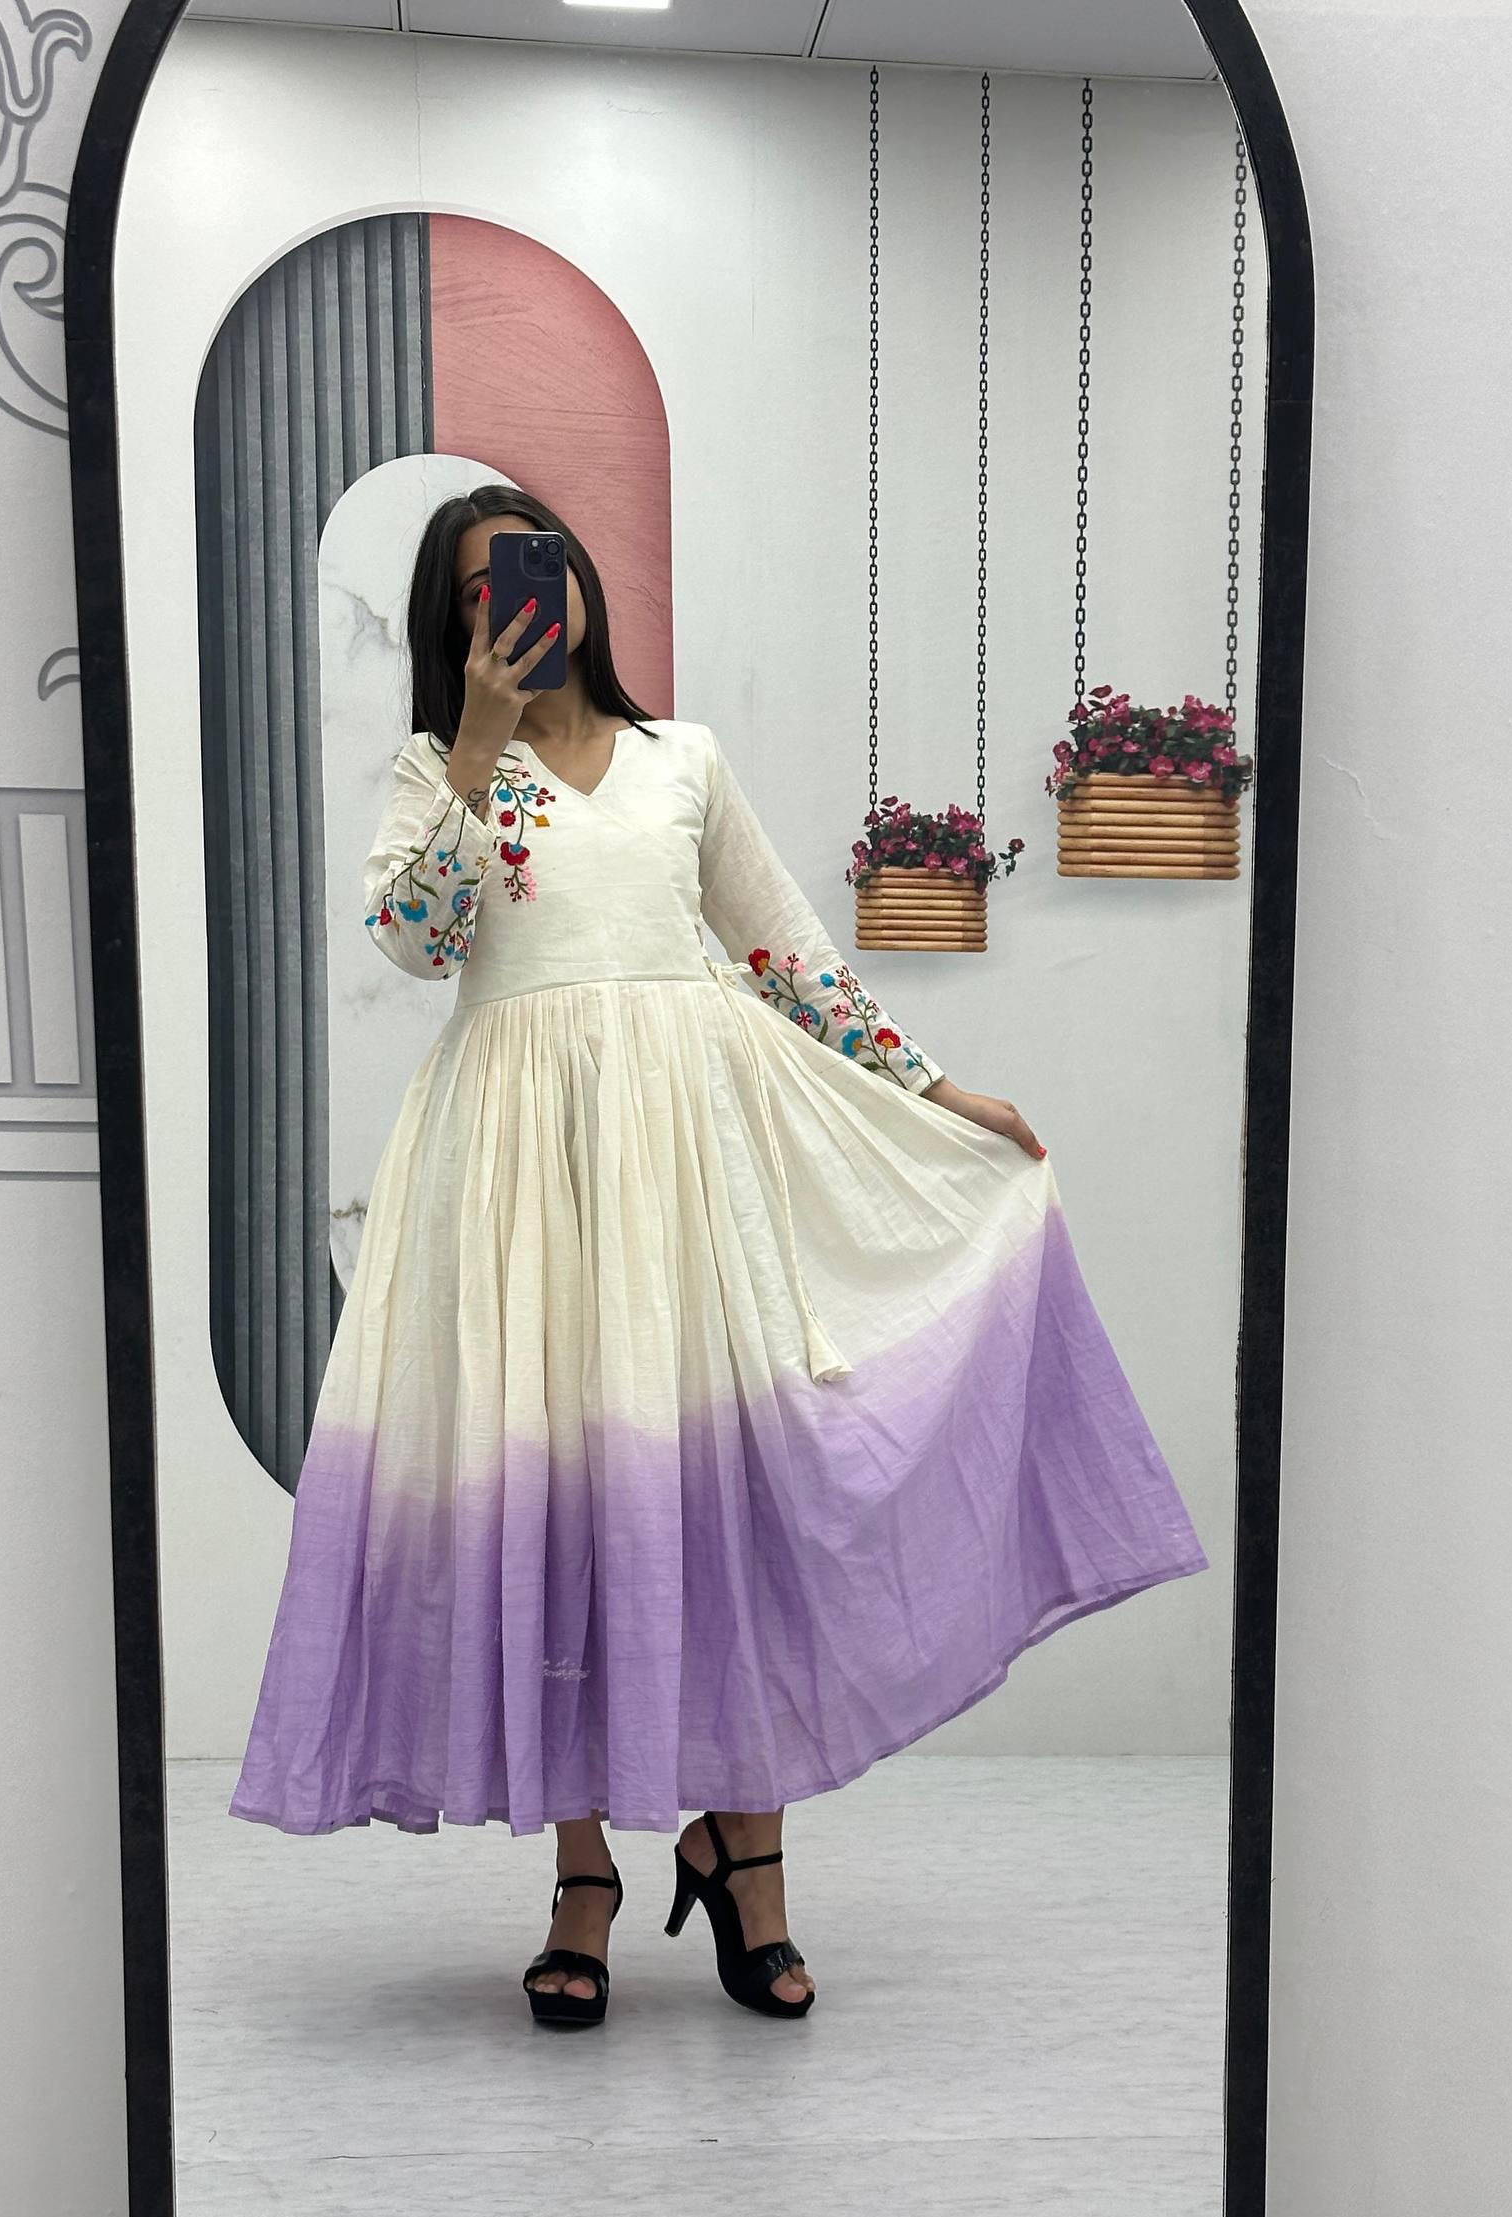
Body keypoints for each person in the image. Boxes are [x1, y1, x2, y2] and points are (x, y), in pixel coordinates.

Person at [229, 483, 1210, 2026]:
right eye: (482, 590)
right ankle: (585, 1878)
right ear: (452, 623)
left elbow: (785, 950)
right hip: (521, 1176)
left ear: (580, 584)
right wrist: (474, 752)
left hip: (688, 1163)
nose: (518, 606)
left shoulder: (682, 759)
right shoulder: (437, 774)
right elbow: (420, 947)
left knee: (727, 1500)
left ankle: (748, 1859)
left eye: (534, 573)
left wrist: (935, 1091)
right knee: (559, 1511)